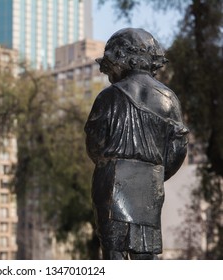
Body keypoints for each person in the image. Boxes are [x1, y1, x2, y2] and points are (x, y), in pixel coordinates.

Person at [84, 28, 188, 260]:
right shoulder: (168, 99)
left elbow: (94, 146)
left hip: (112, 181)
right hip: (150, 183)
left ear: (122, 58)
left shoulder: (108, 97)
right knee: (146, 253)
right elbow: (177, 150)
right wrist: (156, 172)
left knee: (114, 251)